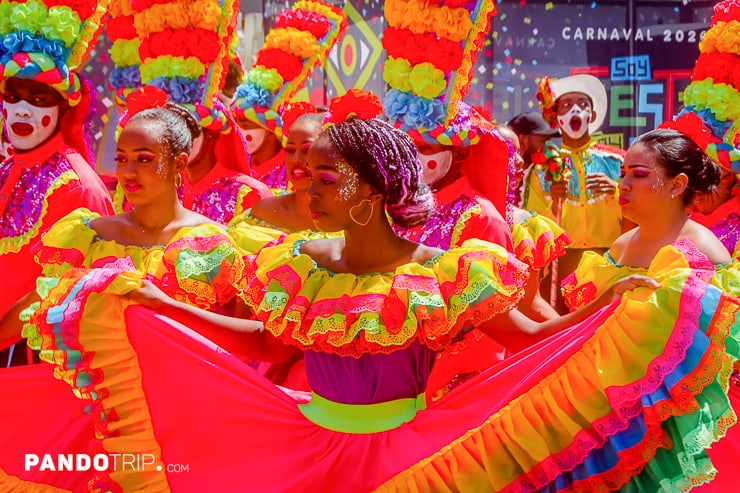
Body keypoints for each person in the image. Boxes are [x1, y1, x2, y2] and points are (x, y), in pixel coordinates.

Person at [25, 91, 738, 492]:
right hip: (302, 450)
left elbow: (528, 340)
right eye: (305, 171)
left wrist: (611, 307)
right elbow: (267, 344)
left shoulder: (445, 270)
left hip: (411, 460)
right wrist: (161, 307)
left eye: (324, 175)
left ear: (368, 191)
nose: (302, 181)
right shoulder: (298, 262)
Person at [0, 0, 116, 364]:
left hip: (32, 360)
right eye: (13, 97)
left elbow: (67, 288)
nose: (22, 110)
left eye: (38, 99)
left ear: (61, 108)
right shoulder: (6, 171)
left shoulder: (79, 187)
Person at [107, 0, 272, 225]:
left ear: (211, 131)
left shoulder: (248, 195)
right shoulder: (149, 190)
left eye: (183, 127)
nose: (172, 138)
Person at [528, 74, 628, 312]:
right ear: (556, 118)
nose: (575, 110)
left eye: (583, 105)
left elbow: (638, 211)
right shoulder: (542, 168)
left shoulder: (618, 161)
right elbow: (531, 223)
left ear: (591, 116)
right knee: (563, 327)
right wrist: (554, 206)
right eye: (566, 105)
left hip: (607, 259)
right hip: (561, 264)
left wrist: (615, 191)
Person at [230, 0, 347, 191]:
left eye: (246, 126)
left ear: (269, 132)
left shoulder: (295, 173)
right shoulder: (241, 169)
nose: (240, 133)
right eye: (238, 125)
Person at [507, 111, 560, 206]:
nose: (549, 148)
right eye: (543, 141)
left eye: (549, 141)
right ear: (522, 141)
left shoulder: (549, 179)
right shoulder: (500, 181)